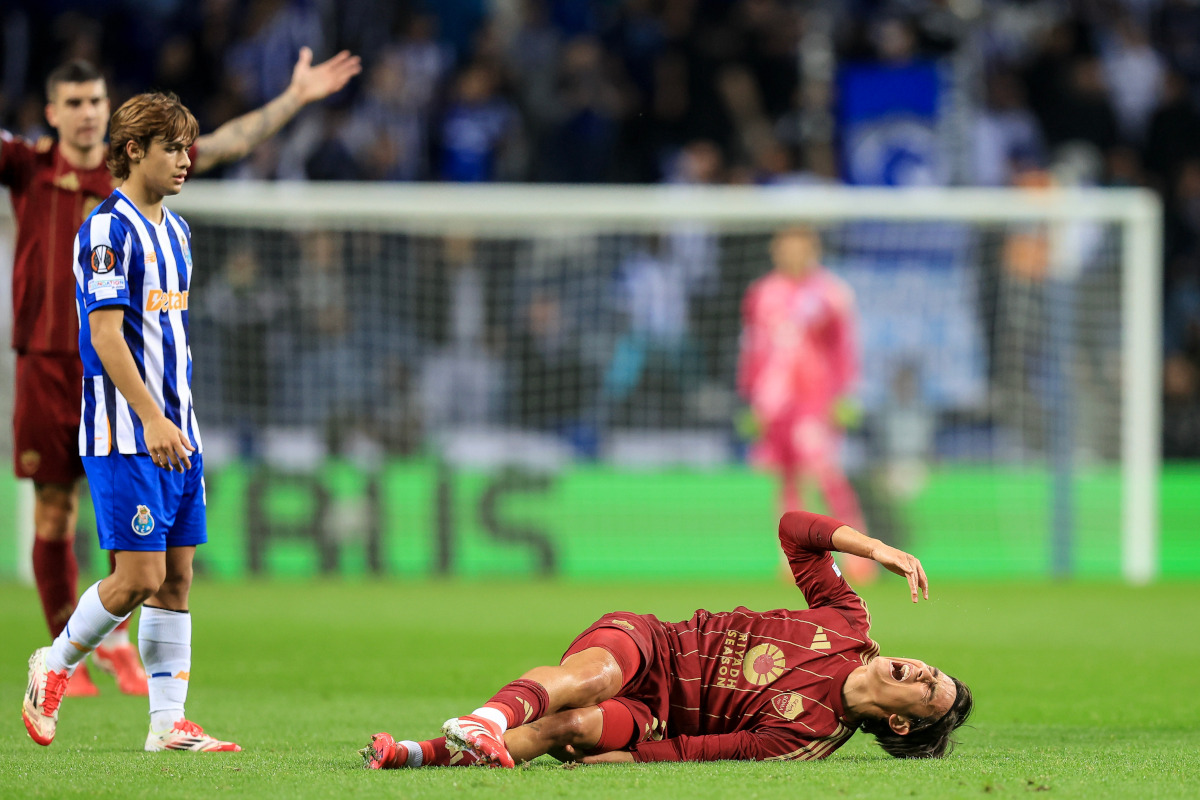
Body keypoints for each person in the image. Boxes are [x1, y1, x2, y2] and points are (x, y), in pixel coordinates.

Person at [1, 48, 360, 697]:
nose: (86, 113)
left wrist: (294, 97)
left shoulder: (171, 217)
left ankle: (156, 708)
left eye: (94, 101)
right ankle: (66, 655)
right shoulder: (34, 170)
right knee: (58, 514)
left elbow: (223, 141)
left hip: (160, 403)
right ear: (53, 114)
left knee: (168, 570)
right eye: (73, 103)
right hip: (57, 368)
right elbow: (106, 332)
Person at [360, 510, 973, 769]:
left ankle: (415, 755)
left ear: (899, 724)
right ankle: (485, 720)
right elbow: (793, 529)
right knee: (594, 677)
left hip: (652, 717)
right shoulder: (847, 621)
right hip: (655, 644)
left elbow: (704, 751)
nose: (921, 671)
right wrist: (875, 548)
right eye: (932, 669)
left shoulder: (809, 740)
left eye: (927, 691)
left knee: (572, 728)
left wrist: (625, 759)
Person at [22, 92, 230, 752]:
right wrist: (152, 419)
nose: (186, 160)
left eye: (189, 147)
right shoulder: (107, 231)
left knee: (175, 578)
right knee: (137, 578)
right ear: (134, 150)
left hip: (180, 432)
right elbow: (106, 337)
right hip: (127, 434)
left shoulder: (179, 231)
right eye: (173, 147)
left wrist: (180, 423)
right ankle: (52, 665)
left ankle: (167, 724)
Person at [737, 226, 876, 582]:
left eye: (799, 247)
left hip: (816, 397)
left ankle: (860, 556)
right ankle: (793, 558)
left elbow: (844, 346)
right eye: (785, 246)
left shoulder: (830, 293)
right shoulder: (761, 293)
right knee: (786, 478)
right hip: (774, 401)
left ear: (812, 249)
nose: (791, 253)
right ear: (775, 250)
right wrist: (751, 394)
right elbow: (753, 346)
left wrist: (846, 393)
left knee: (826, 473)